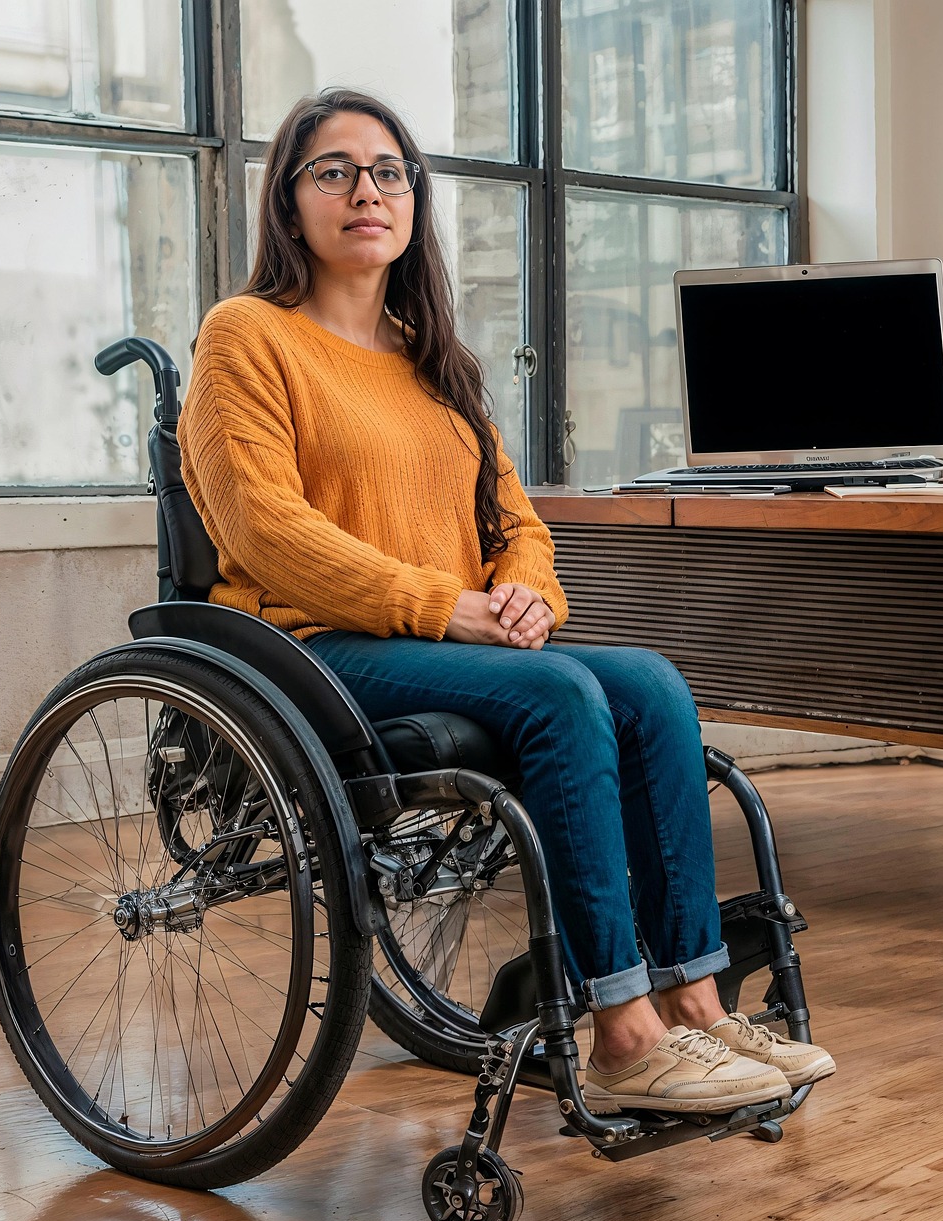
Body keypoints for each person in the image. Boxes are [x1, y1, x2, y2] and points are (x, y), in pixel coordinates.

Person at [178, 87, 834, 1115]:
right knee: (565, 698)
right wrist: (447, 605)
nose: (367, 190)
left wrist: (525, 592)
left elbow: (517, 522)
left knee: (651, 686)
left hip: (454, 633)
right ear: (289, 203)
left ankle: (697, 1004)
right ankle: (622, 1030)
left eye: (389, 171)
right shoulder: (248, 337)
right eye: (336, 170)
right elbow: (267, 528)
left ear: (413, 201)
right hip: (316, 647)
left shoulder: (433, 360)